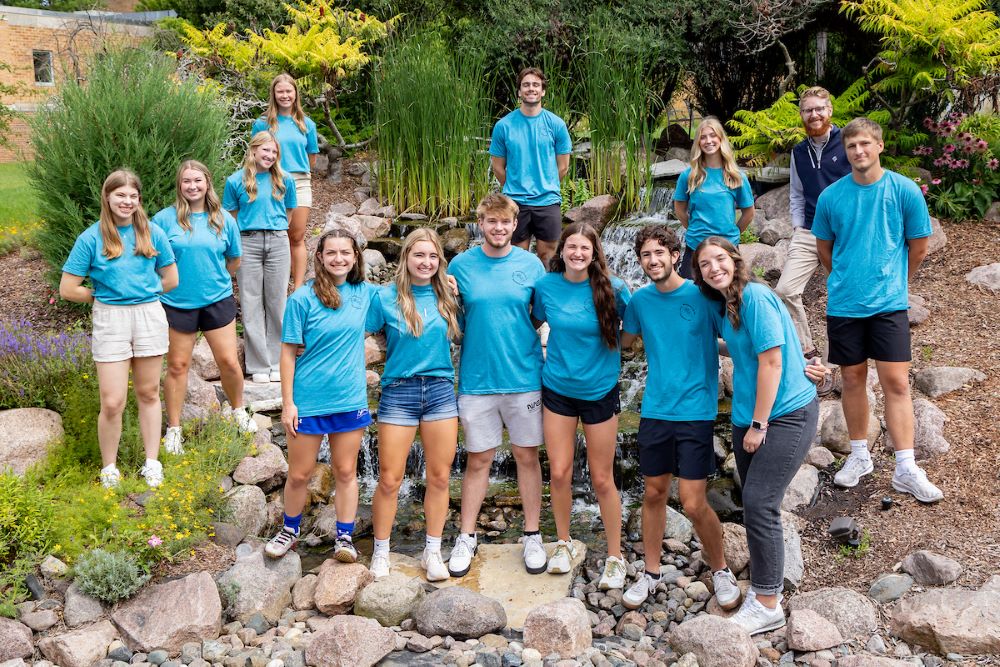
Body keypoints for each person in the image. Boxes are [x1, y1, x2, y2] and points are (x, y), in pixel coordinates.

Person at [692, 236, 819, 635]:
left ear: (735, 259)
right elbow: (755, 346)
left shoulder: (756, 297)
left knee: (760, 502)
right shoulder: (726, 306)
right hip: (747, 415)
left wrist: (760, 426)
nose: (713, 268)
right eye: (704, 265)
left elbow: (772, 361)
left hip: (785, 414)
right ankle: (767, 582)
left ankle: (767, 602)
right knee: (756, 502)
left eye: (719, 260)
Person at [812, 117, 943, 501]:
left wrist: (895, 281)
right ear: (845, 151)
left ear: (879, 146)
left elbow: (918, 246)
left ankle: (906, 467)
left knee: (897, 383)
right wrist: (848, 280)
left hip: (888, 304)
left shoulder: (903, 191)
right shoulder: (832, 197)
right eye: (852, 146)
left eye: (866, 144)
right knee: (851, 380)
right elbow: (825, 250)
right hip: (845, 304)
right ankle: (858, 456)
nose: (859, 151)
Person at [618, 224, 741, 611]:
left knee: (691, 501)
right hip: (655, 409)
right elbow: (620, 343)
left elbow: (739, 336)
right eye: (645, 255)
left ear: (676, 256)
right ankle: (651, 572)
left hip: (695, 413)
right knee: (653, 493)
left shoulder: (701, 296)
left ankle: (720, 568)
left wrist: (795, 364)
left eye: (660, 253)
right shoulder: (639, 302)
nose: (653, 261)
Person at [446, 193, 548, 577]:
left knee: (526, 457)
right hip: (476, 380)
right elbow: (454, 325)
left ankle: (533, 534)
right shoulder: (462, 265)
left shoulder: (531, 264)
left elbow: (538, 316)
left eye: (505, 222)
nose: (499, 228)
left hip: (524, 378)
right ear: (481, 223)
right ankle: (467, 536)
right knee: (479, 460)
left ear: (514, 223)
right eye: (492, 221)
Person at [60, 170, 178, 488]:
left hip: (148, 316)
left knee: (149, 392)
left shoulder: (152, 233)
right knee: (112, 401)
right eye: (120, 195)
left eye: (132, 196)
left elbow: (171, 280)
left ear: (139, 200)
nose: (127, 202)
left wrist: (143, 292)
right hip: (110, 318)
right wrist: (101, 295)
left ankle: (152, 462)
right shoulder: (91, 238)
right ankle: (109, 468)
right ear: (108, 198)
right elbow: (68, 288)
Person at [265, 229, 374, 559]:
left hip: (349, 398)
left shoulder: (365, 293)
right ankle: (289, 530)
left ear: (355, 257)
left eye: (345, 252)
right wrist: (288, 403)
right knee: (299, 474)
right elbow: (287, 353)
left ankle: (344, 537)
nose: (338, 258)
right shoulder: (302, 298)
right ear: (320, 258)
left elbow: (407, 296)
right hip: (309, 399)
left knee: (345, 472)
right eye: (332, 253)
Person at [532, 222, 631, 586]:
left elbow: (633, 331)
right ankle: (563, 543)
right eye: (570, 247)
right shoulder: (547, 287)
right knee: (559, 472)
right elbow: (530, 321)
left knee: (602, 478)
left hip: (600, 390)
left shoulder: (615, 289)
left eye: (584, 248)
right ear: (562, 251)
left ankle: (615, 556)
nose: (577, 254)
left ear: (594, 253)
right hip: (557, 387)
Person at [367, 229, 462, 581]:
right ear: (406, 258)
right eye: (419, 255)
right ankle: (380, 551)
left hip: (439, 391)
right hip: (399, 393)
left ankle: (433, 551)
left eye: (432, 256)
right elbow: (354, 331)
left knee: (439, 477)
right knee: (390, 479)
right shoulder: (385, 298)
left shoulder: (447, 295)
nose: (426, 262)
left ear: (440, 262)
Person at [153, 160, 257, 455]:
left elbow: (233, 260)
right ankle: (173, 430)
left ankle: (238, 410)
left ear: (207, 183)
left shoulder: (223, 219)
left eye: (197, 180)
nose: (192, 186)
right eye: (186, 181)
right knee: (177, 366)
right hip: (177, 304)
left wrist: (212, 277)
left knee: (228, 361)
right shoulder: (163, 220)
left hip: (216, 300)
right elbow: (153, 260)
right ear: (179, 185)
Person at [774, 86, 851, 357]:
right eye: (808, 110)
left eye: (819, 109)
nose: (814, 114)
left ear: (829, 110)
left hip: (843, 234)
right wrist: (798, 228)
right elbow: (796, 193)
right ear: (801, 114)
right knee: (784, 290)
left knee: (843, 297)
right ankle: (807, 350)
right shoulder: (798, 152)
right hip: (808, 232)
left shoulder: (848, 143)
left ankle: (838, 359)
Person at [223, 131, 297, 384]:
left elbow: (288, 213)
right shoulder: (235, 181)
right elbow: (229, 219)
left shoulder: (285, 180)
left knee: (277, 302)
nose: (270, 156)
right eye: (266, 150)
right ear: (253, 150)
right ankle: (258, 365)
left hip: (277, 241)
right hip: (248, 242)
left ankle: (277, 362)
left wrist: (273, 230)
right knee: (251, 301)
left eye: (274, 152)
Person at [489, 67, 572, 268]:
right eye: (526, 85)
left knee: (549, 258)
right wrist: (514, 187)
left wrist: (546, 184)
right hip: (515, 202)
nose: (531, 88)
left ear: (543, 91)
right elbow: (498, 167)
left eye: (536, 85)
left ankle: (543, 299)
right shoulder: (504, 126)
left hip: (548, 201)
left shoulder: (556, 124)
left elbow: (563, 167)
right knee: (516, 258)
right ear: (519, 91)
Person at [252, 74, 319, 290]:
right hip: (270, 180)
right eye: (280, 91)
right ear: (273, 94)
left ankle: (298, 288)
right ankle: (274, 286)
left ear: (295, 94)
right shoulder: (262, 124)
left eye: (289, 91)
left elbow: (311, 157)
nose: (285, 95)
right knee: (273, 234)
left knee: (296, 235)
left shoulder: (306, 123)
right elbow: (253, 155)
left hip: (299, 181)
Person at [673, 117, 754, 279]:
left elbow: (749, 213)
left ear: (721, 139)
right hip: (696, 245)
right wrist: (695, 229)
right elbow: (679, 210)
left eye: (712, 135)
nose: (708, 141)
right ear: (698, 143)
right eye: (703, 137)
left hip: (727, 247)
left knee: (728, 296)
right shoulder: (688, 176)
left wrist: (733, 233)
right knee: (691, 295)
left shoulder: (736, 176)